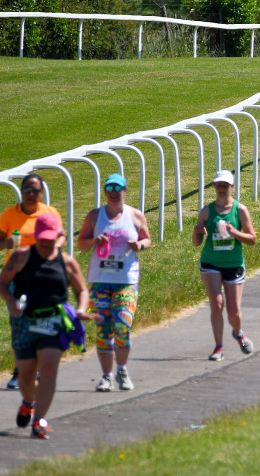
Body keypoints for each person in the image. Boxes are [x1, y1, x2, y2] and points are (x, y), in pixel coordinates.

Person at [0, 213, 92, 439]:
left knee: (49, 368)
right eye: (42, 237)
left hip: (53, 320)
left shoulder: (67, 262)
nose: (46, 242)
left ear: (59, 236)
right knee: (26, 373)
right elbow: (3, 282)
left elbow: (82, 290)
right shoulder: (21, 257)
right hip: (24, 321)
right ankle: (28, 401)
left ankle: (39, 419)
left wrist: (81, 309)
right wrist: (11, 301)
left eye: (51, 238)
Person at [77, 173, 151, 392]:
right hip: (100, 280)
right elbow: (81, 244)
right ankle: (106, 376)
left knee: (122, 325)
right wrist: (93, 241)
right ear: (105, 191)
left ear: (125, 190)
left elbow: (148, 238)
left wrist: (140, 246)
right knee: (103, 329)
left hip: (126, 280)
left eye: (117, 188)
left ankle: (122, 369)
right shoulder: (95, 216)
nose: (113, 192)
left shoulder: (135, 215)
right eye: (109, 188)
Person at [0, 174, 63, 391]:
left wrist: (53, 247)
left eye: (35, 190)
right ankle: (20, 371)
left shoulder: (49, 213)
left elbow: (61, 236)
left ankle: (34, 368)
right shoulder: (9, 215)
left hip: (42, 274)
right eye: (27, 189)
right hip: (15, 275)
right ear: (21, 191)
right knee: (19, 323)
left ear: (42, 193)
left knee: (39, 322)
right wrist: (8, 242)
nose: (31, 194)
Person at [192, 170, 257, 362]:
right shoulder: (206, 211)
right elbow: (196, 242)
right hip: (211, 262)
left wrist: (234, 232)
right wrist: (198, 231)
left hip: (234, 264)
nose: (221, 188)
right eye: (218, 185)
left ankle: (237, 332)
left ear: (232, 187)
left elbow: (252, 239)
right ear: (214, 187)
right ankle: (218, 347)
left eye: (225, 185)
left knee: (234, 311)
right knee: (216, 304)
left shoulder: (240, 210)